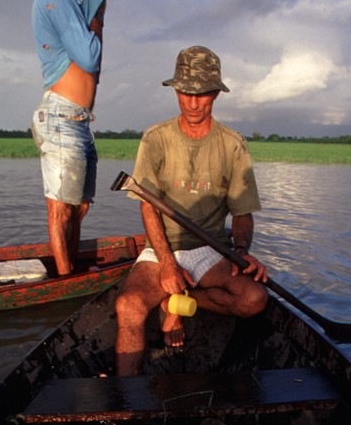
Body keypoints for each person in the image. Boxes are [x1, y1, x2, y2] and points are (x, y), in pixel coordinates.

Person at [115, 45, 269, 377]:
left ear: (216, 93)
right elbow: (148, 207)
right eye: (185, 93)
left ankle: (177, 302)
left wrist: (241, 251)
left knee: (254, 299)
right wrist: (167, 263)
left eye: (202, 94)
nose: (193, 103)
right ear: (176, 91)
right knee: (128, 306)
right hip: (161, 247)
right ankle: (124, 397)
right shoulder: (155, 138)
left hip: (209, 248)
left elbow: (242, 213)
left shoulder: (233, 144)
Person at [31, 0, 113, 276]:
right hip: (60, 116)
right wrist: (98, 16)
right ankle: (65, 283)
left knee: (79, 206)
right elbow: (90, 57)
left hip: (79, 121)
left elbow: (94, 66)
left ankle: (70, 272)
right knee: (61, 208)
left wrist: (97, 2)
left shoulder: (71, 1)